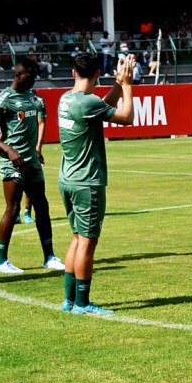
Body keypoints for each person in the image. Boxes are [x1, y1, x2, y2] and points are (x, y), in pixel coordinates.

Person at [57, 51, 135, 315]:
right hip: (86, 182)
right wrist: (126, 85)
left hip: (67, 178)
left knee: (77, 239)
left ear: (73, 73)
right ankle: (82, 302)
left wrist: (116, 85)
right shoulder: (88, 103)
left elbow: (99, 106)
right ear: (97, 74)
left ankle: (69, 300)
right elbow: (127, 117)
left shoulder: (66, 99)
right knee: (88, 242)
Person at [0, 60, 67, 275]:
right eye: (31, 75)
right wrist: (7, 149)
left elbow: (35, 126)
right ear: (18, 75)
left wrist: (37, 150)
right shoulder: (3, 100)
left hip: (32, 161)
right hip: (12, 163)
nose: (35, 78)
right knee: (13, 208)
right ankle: (0, 260)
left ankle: (49, 257)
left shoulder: (34, 98)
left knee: (42, 206)